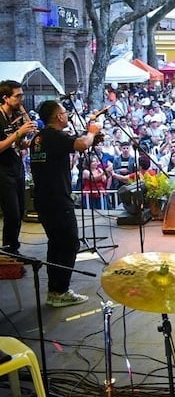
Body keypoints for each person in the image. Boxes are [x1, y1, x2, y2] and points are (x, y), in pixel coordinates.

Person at [29, 100, 100, 307]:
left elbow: (68, 150)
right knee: (69, 244)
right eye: (64, 112)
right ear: (58, 117)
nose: (67, 114)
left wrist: (90, 138)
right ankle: (60, 291)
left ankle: (54, 290)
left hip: (43, 198)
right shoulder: (54, 136)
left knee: (56, 244)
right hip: (58, 199)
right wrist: (92, 131)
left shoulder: (38, 138)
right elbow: (81, 144)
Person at [0, 80, 37, 254]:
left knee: (20, 210)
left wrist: (29, 142)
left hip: (17, 167)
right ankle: (9, 248)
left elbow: (17, 144)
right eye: (18, 96)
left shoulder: (14, 116)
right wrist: (19, 132)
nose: (21, 99)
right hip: (3, 171)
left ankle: (13, 246)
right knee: (12, 212)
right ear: (5, 98)